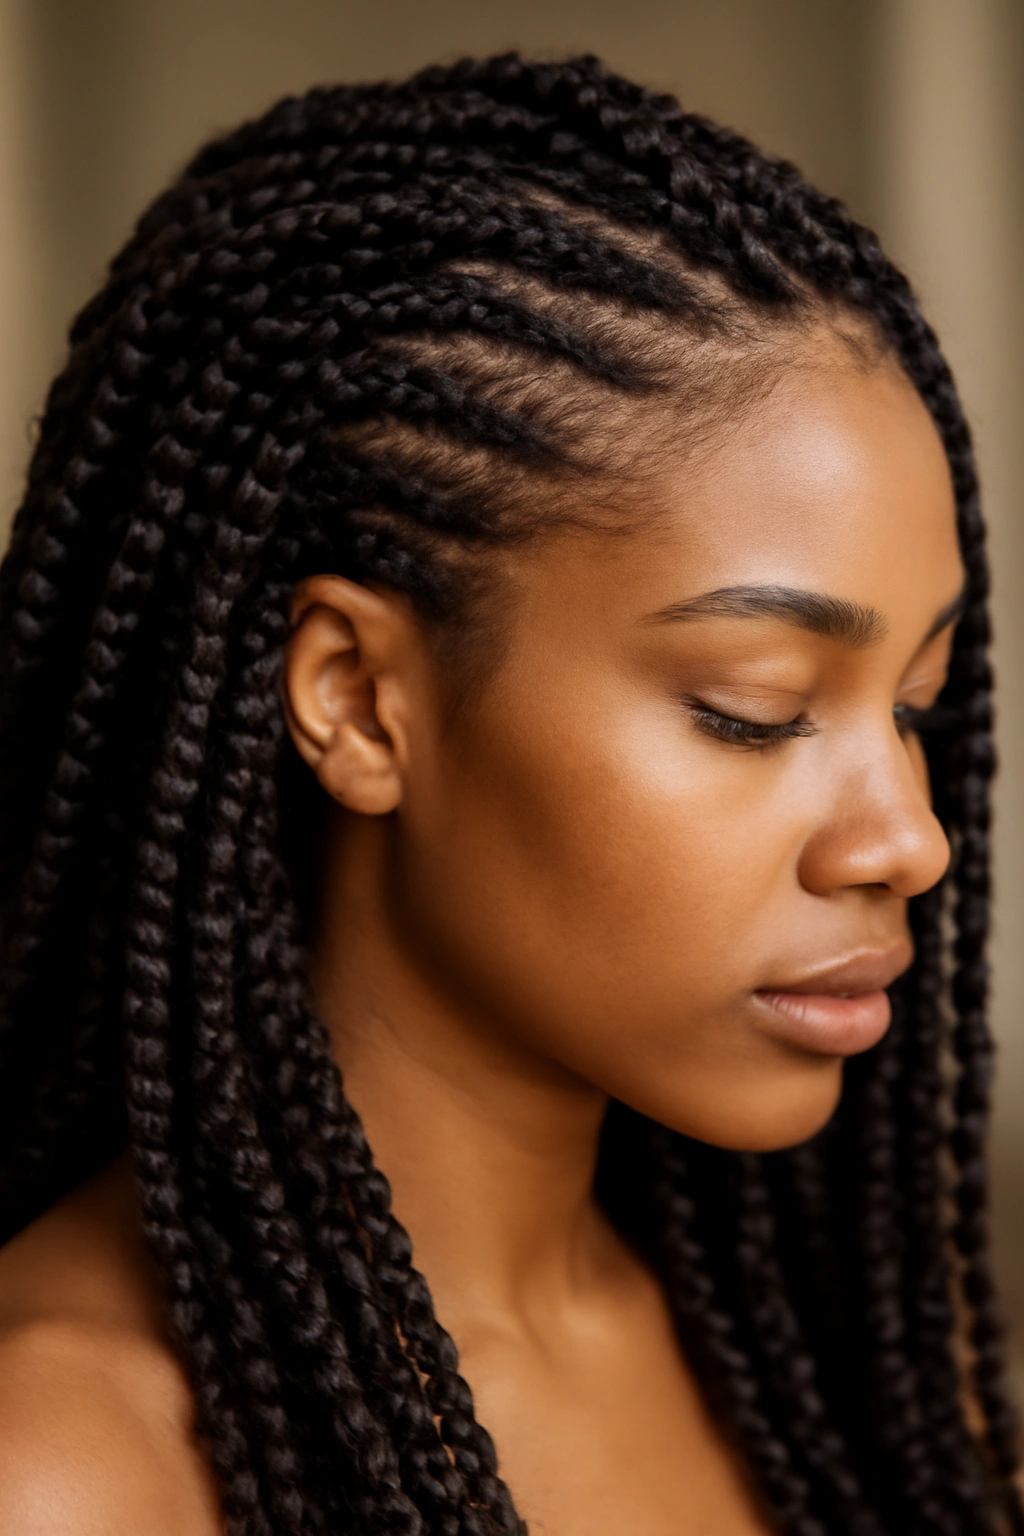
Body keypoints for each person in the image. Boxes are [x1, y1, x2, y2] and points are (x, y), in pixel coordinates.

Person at [0, 51, 1017, 1536]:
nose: (909, 840)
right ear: (354, 697)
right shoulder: (67, 1467)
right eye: (760, 711)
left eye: (918, 706)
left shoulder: (853, 1368)